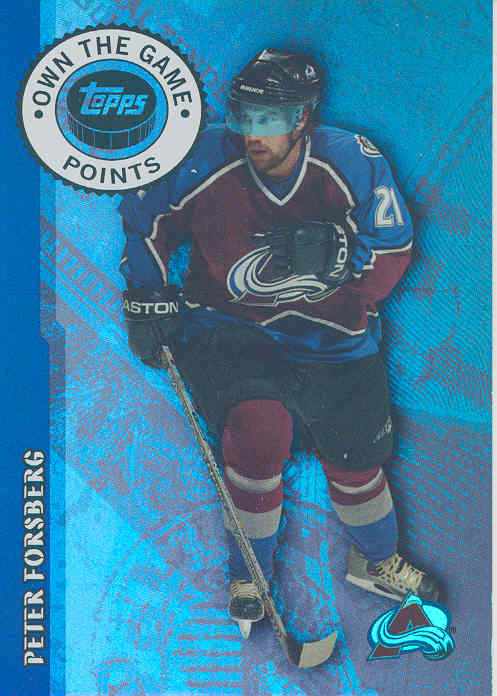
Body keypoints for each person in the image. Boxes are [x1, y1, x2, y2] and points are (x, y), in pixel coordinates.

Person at [119, 48, 439, 638]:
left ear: (302, 119)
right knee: (257, 435)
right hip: (230, 330)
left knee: (357, 463)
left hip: (335, 336)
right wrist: (147, 295)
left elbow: (393, 246)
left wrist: (347, 259)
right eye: (244, 116)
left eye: (268, 119)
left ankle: (375, 561)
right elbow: (146, 221)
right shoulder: (203, 160)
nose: (252, 134)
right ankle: (251, 577)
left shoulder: (352, 160)